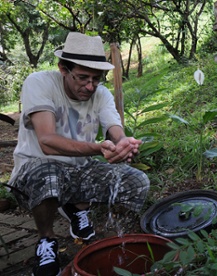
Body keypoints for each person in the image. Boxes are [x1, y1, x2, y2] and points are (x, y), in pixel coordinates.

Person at [7, 32, 150, 276]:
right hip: (35, 170)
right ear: (63, 68)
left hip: (78, 170)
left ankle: (82, 213)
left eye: (96, 79)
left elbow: (114, 128)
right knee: (50, 173)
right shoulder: (40, 83)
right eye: (82, 77)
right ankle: (46, 240)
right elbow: (47, 141)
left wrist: (124, 143)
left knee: (137, 182)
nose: (90, 86)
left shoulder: (101, 94)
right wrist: (98, 147)